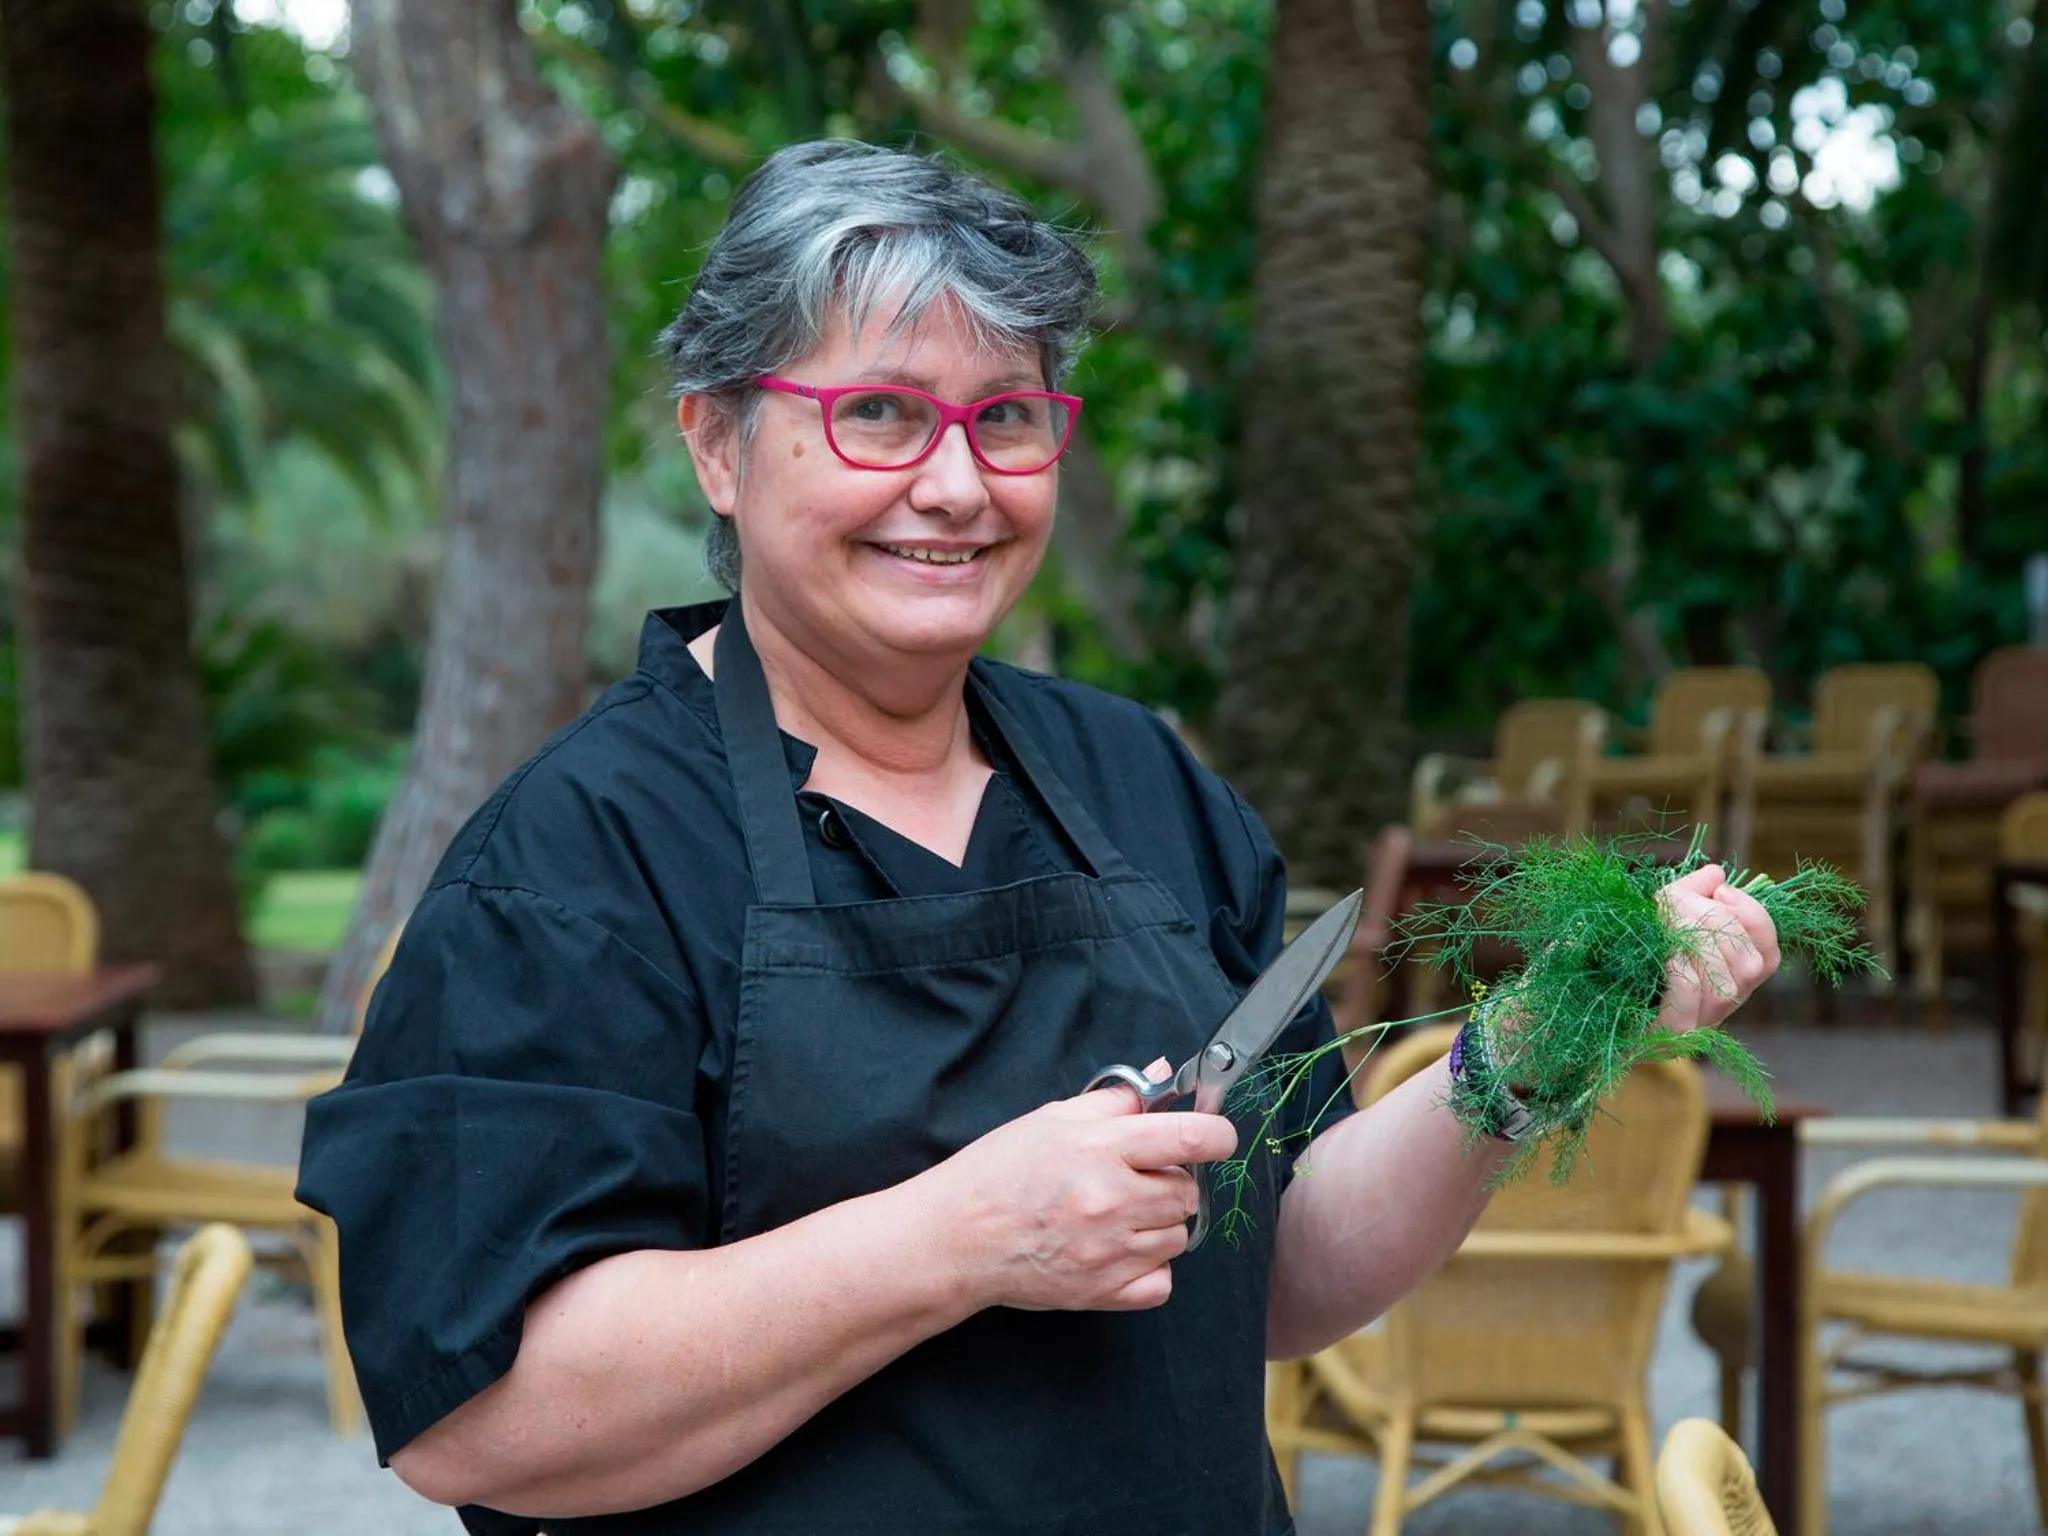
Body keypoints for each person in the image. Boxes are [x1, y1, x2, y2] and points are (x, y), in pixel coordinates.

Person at [295, 139, 1780, 1535]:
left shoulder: (1136, 778)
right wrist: (960, 1239)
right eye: (876, 412)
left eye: (1004, 416)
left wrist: (1514, 1055)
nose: (953, 484)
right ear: (719, 445)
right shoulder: (579, 858)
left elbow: (1279, 1276)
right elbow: (477, 1418)